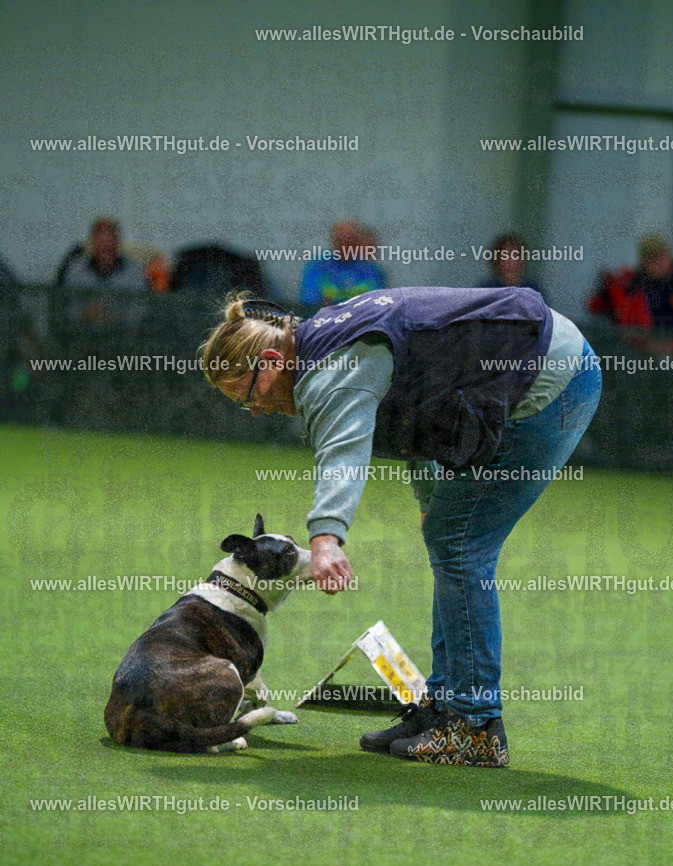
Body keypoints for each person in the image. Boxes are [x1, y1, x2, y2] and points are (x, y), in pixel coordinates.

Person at [197, 287, 602, 766]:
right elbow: (420, 405)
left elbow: (342, 452)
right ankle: (445, 711)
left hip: (551, 379)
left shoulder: (333, 368)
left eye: (247, 394)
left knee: (460, 545)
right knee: (450, 537)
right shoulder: (327, 340)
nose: (256, 410)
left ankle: (474, 728)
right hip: (542, 356)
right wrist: (431, 496)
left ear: (269, 360)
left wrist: (325, 537)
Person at [587, 234, 673, 330]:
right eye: (653, 259)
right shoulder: (632, 287)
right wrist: (608, 290)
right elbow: (593, 307)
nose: (659, 263)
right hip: (641, 340)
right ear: (643, 263)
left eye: (662, 257)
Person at [300, 220, 386, 308]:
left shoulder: (370, 269)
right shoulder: (318, 266)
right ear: (333, 241)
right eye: (340, 239)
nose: (345, 244)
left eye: (350, 240)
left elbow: (379, 302)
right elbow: (309, 300)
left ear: (357, 242)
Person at [477, 232, 543, 296]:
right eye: (505, 255)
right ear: (496, 259)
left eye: (515, 255)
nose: (510, 261)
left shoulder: (533, 291)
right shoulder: (485, 290)